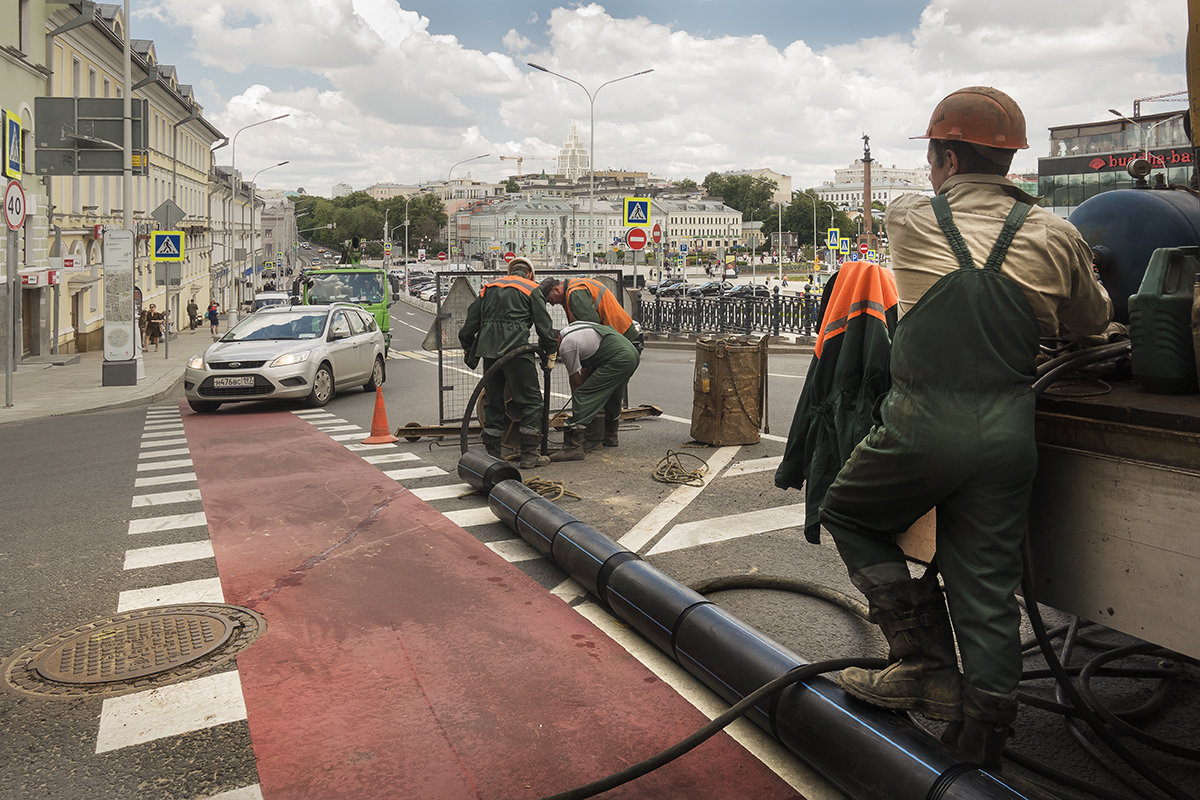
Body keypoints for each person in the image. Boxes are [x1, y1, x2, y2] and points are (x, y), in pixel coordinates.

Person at [816, 86, 1113, 770]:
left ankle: (923, 664)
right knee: (984, 582)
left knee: (850, 510)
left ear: (945, 156)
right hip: (1009, 435)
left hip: (921, 426)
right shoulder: (1056, 234)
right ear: (1011, 160)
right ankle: (984, 741)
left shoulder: (909, 214)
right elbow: (1092, 325)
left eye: (931, 158)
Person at [459, 257, 557, 469]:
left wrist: (468, 346)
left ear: (510, 271)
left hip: (490, 353)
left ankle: (494, 454)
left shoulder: (489, 287)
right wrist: (549, 350)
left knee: (494, 401)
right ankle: (530, 455)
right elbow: (544, 326)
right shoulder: (531, 288)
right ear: (530, 274)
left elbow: (470, 324)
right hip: (517, 351)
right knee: (531, 401)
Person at [538, 275, 644, 450]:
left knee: (589, 392)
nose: (552, 304)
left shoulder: (575, 294)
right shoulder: (577, 287)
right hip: (622, 340)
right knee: (612, 391)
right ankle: (610, 436)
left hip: (614, 342)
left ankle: (588, 440)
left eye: (551, 299)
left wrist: (580, 391)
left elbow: (592, 327)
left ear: (557, 290)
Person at [550, 320, 640, 462]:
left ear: (557, 340)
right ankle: (610, 436)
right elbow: (589, 362)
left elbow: (576, 381)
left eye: (553, 349)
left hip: (618, 358)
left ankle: (572, 447)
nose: (556, 354)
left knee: (583, 395)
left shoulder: (566, 346)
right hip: (631, 354)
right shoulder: (574, 328)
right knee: (612, 396)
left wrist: (580, 403)